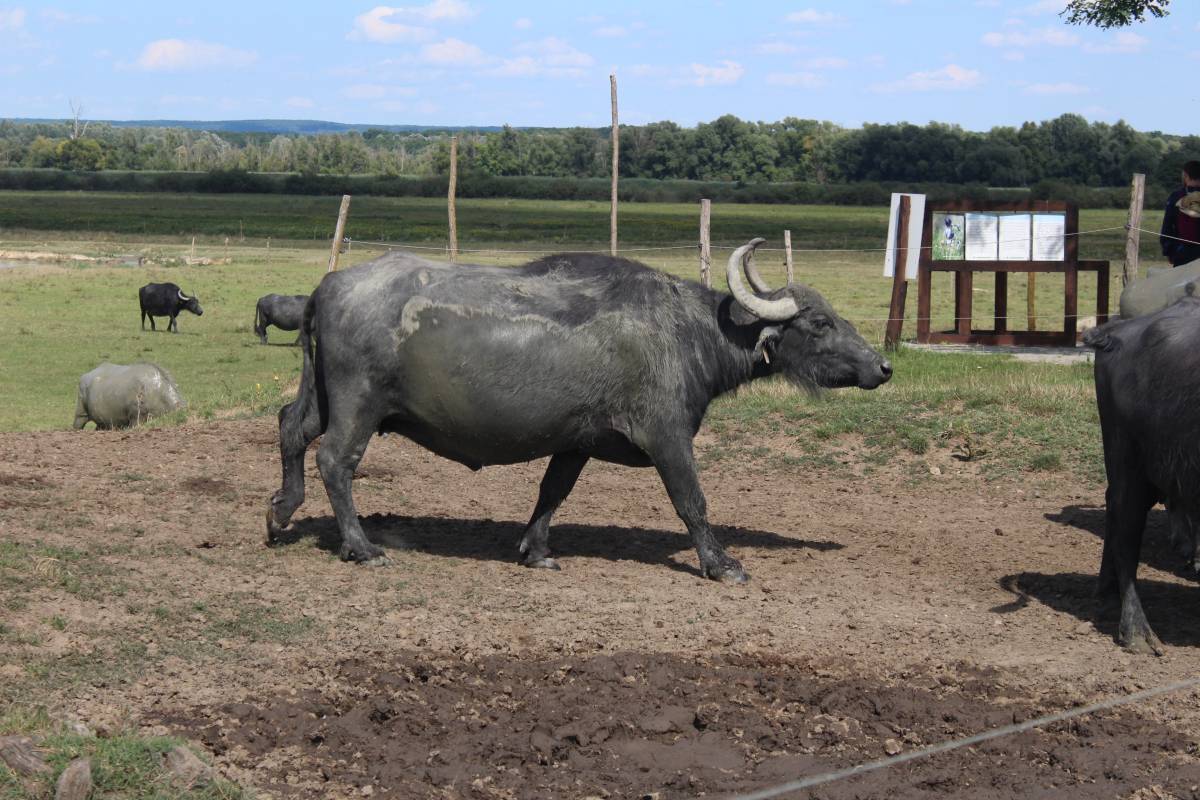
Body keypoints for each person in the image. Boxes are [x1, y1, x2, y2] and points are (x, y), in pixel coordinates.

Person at [1161, 160, 1200, 267]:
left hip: (1183, 251)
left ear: (1186, 175)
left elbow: (1168, 225)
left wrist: (1168, 250)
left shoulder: (1177, 196)